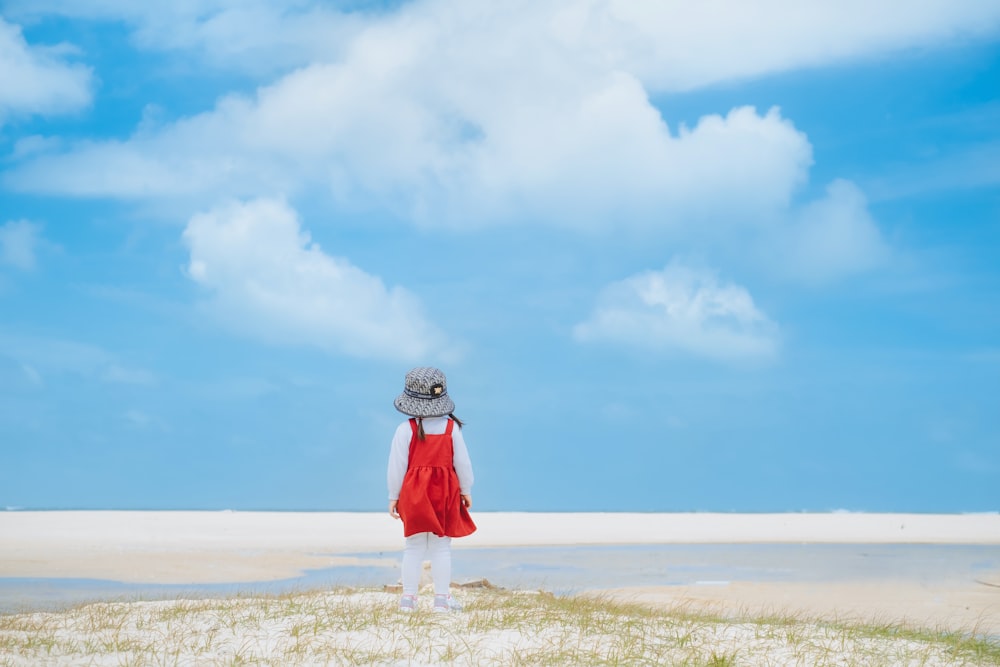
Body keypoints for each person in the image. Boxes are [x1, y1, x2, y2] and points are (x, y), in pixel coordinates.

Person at [387, 367, 476, 613]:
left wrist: (394, 496)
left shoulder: (406, 429)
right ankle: (441, 599)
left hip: (413, 492)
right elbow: (463, 463)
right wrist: (466, 489)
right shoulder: (451, 428)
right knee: (441, 546)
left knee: (413, 546)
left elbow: (396, 466)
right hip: (444, 492)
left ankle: (408, 599)